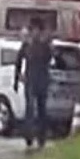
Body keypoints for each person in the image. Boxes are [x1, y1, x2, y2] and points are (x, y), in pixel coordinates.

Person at [13, 17, 54, 149]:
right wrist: (16, 79)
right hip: (30, 80)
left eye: (37, 30)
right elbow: (18, 62)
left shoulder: (45, 45)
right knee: (30, 108)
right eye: (33, 30)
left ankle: (41, 136)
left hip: (42, 79)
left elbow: (50, 59)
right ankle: (29, 136)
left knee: (42, 109)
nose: (35, 33)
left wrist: (49, 45)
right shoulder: (26, 45)